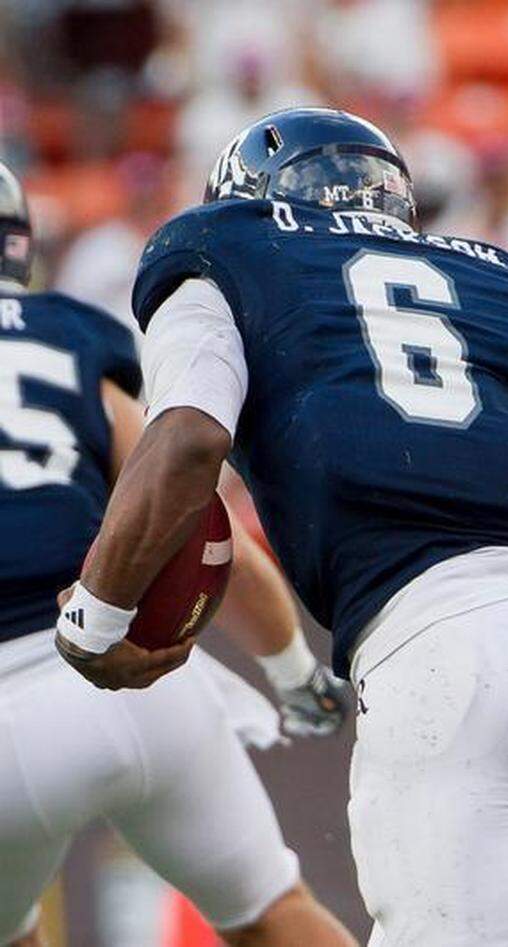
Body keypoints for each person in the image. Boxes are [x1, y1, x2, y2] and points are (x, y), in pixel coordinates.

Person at [55, 107, 508, 945]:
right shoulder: (500, 276)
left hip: (446, 650)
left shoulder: (219, 249)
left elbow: (190, 437)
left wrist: (96, 616)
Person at [0, 159, 355, 946]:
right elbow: (176, 503)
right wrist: (297, 676)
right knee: (273, 913)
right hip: (131, 677)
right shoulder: (65, 335)